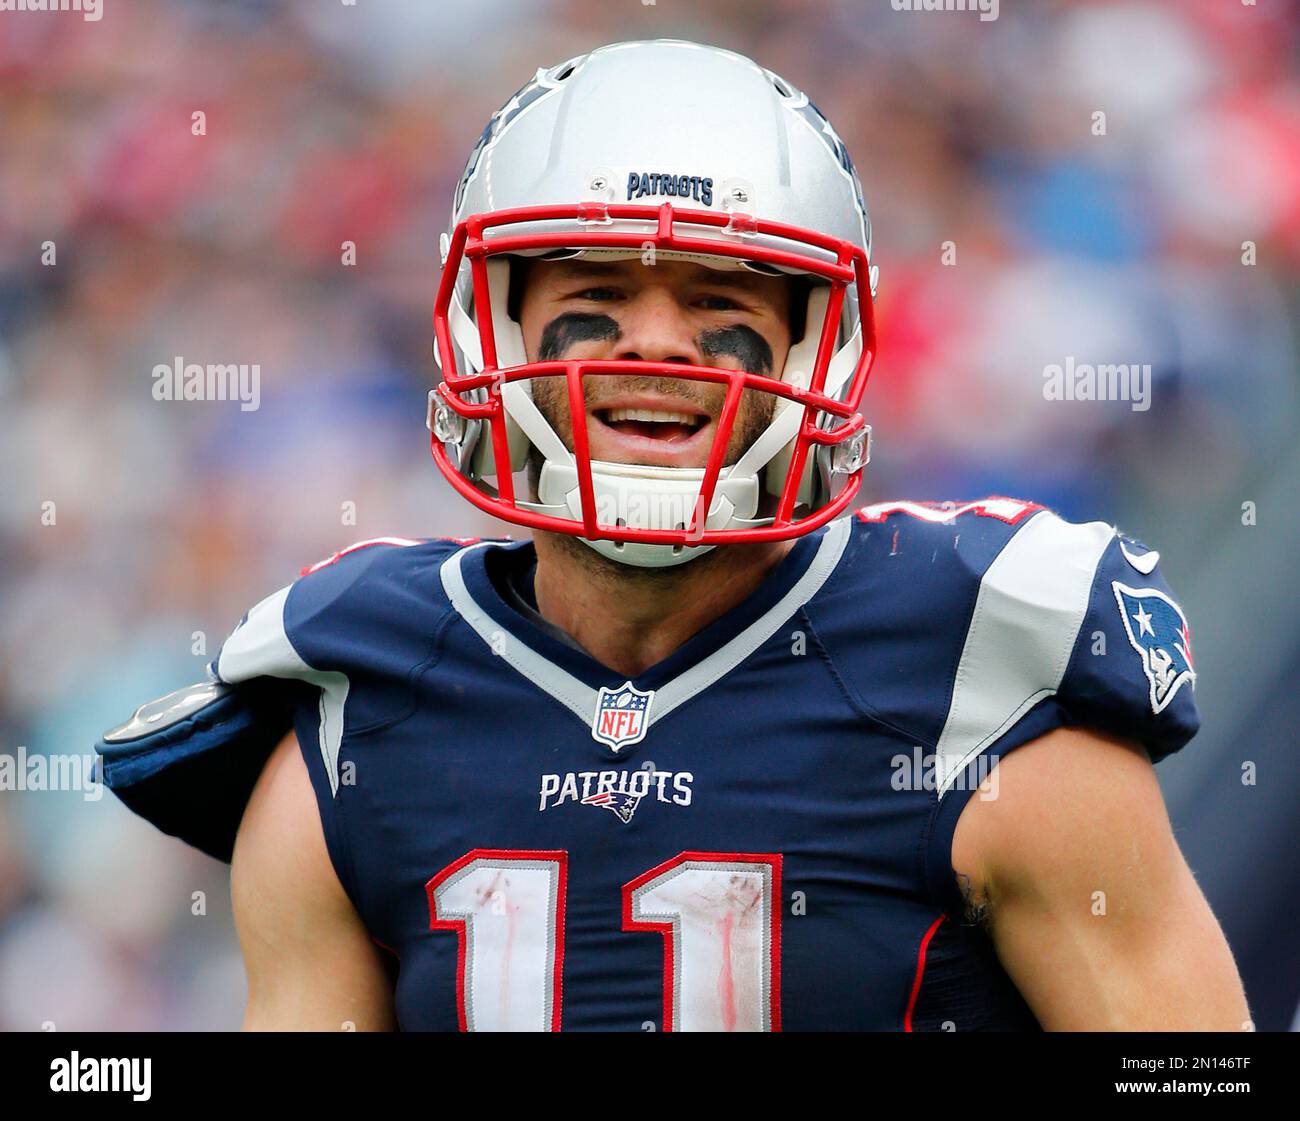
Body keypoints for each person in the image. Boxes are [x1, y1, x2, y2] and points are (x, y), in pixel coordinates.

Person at [97, 39, 1248, 1031]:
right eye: (595, 289)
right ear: (489, 328)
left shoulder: (980, 681)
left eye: (723, 306)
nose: (659, 345)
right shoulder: (358, 709)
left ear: (817, 352)